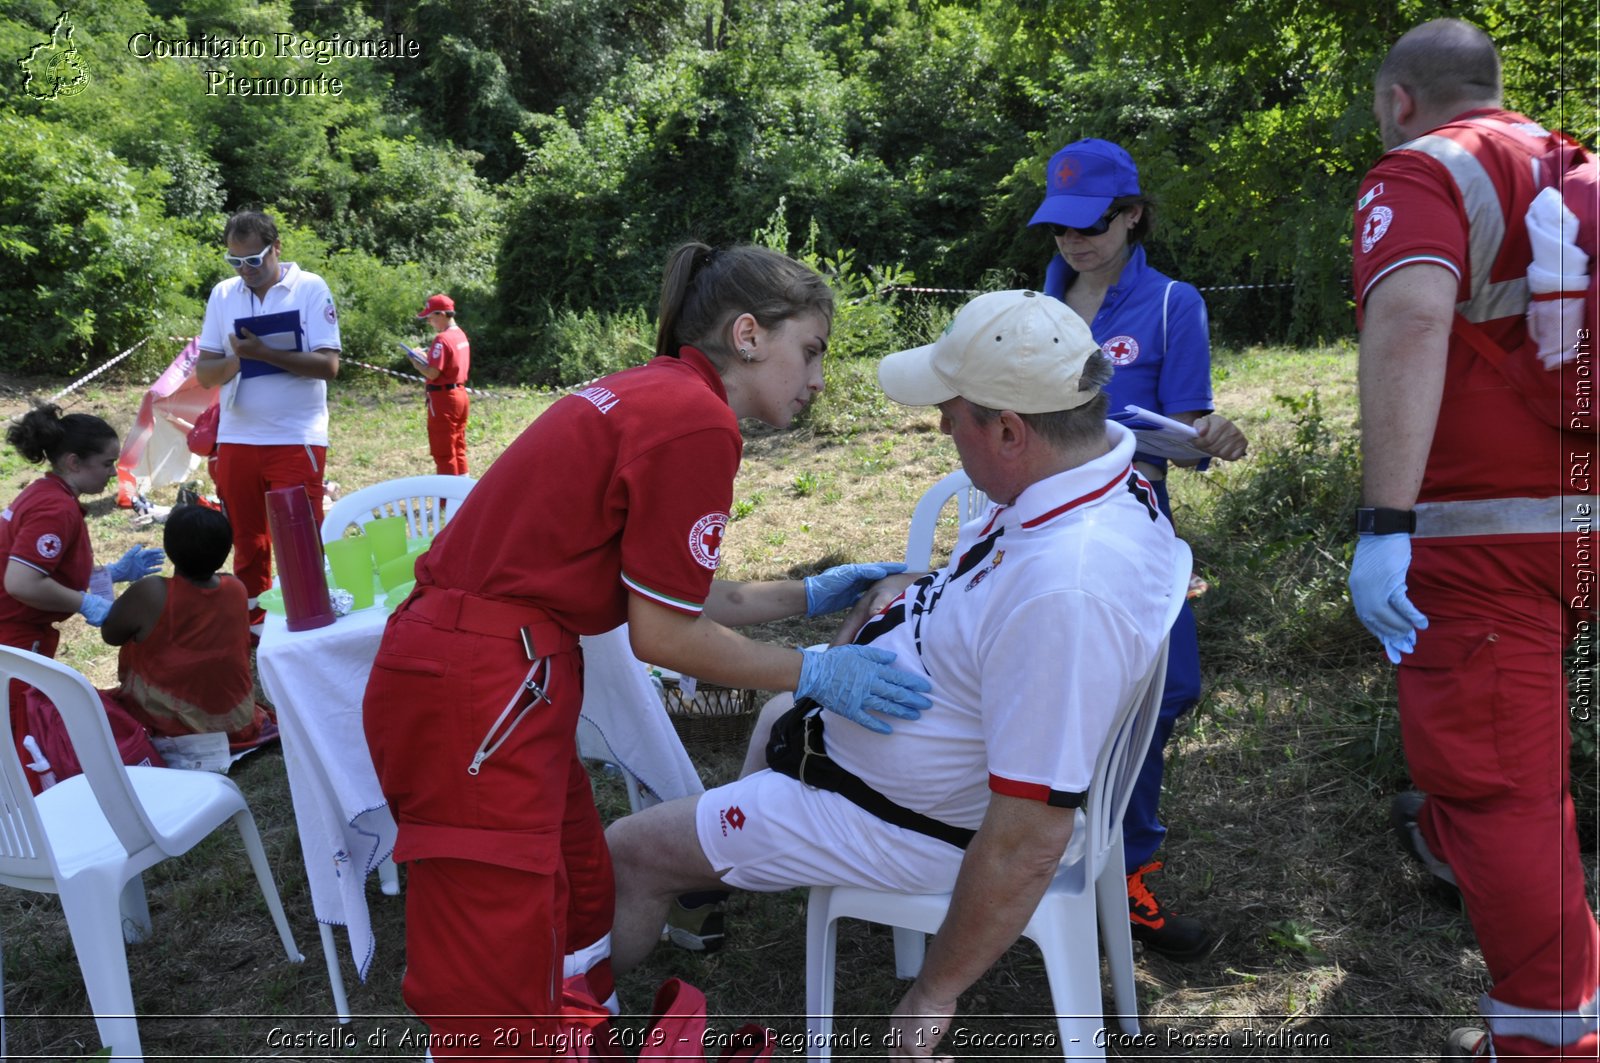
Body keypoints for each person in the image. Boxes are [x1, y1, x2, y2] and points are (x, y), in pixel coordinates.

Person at [361, 242, 932, 1059]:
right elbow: (664, 635)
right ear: (747, 335)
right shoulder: (696, 421)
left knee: (578, 893)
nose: (815, 380)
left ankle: (574, 1035)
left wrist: (810, 593)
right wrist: (812, 670)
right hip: (479, 682)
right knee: (489, 950)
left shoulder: (654, 392)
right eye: (809, 351)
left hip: (501, 669)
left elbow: (682, 592)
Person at [607, 289, 1182, 1058]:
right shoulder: (1088, 474)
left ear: (1010, 430)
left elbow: (1025, 838)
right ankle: (719, 869)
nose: (941, 424)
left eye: (952, 410)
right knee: (782, 716)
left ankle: (569, 1021)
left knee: (628, 851)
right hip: (911, 776)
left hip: (897, 817)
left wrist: (931, 993)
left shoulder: (1066, 592)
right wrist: (909, 597)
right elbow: (997, 610)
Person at [1347, 19, 1598, 1062]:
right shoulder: (1574, 169)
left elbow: (1408, 320)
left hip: (1481, 538)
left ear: (1400, 98)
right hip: (1574, 521)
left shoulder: (1419, 172)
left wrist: (1383, 523)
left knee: (1496, 786)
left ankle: (1549, 1041)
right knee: (1523, 763)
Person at [1029, 137, 1246, 960]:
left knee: (1166, 686)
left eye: (1092, 224)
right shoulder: (1032, 313)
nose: (1075, 243)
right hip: (1040, 521)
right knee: (1039, 687)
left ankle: (1125, 867)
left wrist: (1210, 436)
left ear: (1132, 216)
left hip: (1132, 516)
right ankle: (1029, 852)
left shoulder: (1170, 304)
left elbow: (1187, 430)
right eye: (1060, 229)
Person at [194, 210, 341, 633]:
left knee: (299, 538)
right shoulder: (224, 295)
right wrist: (239, 359)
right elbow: (205, 373)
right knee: (248, 539)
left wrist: (265, 353)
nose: (245, 271)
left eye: (254, 260)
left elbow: (328, 365)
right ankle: (255, 623)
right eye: (235, 261)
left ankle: (310, 617)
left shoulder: (310, 288)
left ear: (276, 248)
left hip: (297, 435)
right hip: (238, 435)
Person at [0, 403, 163, 775]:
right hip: (11, 636)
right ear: (74, 462)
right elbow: (21, 582)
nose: (113, 472)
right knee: (14, 733)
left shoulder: (46, 493)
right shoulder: (54, 508)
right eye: (107, 464)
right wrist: (86, 603)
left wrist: (109, 575)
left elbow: (43, 568)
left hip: (16, 628)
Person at [100, 505, 273, 749]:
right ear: (226, 550)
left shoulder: (153, 592)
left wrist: (104, 593)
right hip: (236, 723)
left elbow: (111, 634)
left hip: (171, 727)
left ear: (169, 548)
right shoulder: (235, 587)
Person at [406, 293, 472, 476]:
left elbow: (433, 372)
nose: (429, 321)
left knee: (443, 451)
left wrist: (415, 361)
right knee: (458, 445)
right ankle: (463, 492)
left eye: (430, 317)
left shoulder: (441, 340)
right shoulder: (460, 335)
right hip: (460, 394)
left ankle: (446, 502)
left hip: (444, 398)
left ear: (442, 314)